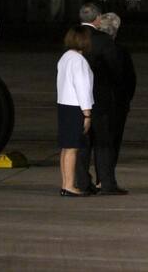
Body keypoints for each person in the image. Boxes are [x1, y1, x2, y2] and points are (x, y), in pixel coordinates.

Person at [76, 3, 127, 195]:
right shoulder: (103, 40)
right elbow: (116, 69)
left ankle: (82, 183)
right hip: (100, 98)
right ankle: (106, 183)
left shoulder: (73, 37)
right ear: (97, 18)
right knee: (103, 143)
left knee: (83, 143)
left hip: (77, 99)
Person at [57, 25, 94, 197]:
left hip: (64, 105)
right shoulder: (79, 60)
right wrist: (87, 113)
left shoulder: (65, 57)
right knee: (72, 148)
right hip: (75, 107)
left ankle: (66, 184)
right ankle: (70, 186)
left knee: (66, 148)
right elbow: (82, 88)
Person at [97, 12, 136, 170]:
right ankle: (106, 176)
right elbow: (130, 80)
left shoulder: (90, 49)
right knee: (113, 141)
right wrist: (126, 100)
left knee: (97, 142)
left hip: (96, 103)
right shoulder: (121, 51)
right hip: (117, 104)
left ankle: (95, 176)